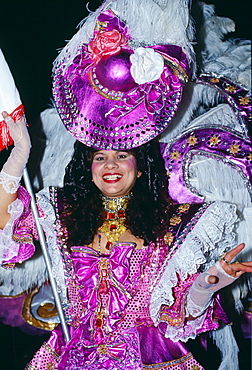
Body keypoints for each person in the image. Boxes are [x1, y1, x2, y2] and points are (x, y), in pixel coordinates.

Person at [0, 1, 251, 369]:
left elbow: (180, 314)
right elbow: (3, 223)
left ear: (140, 164)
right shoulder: (59, 212)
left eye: (122, 155)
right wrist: (20, 152)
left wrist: (211, 282)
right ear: (88, 167)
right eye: (100, 157)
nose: (110, 165)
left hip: (153, 359)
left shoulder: (175, 220)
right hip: (69, 355)